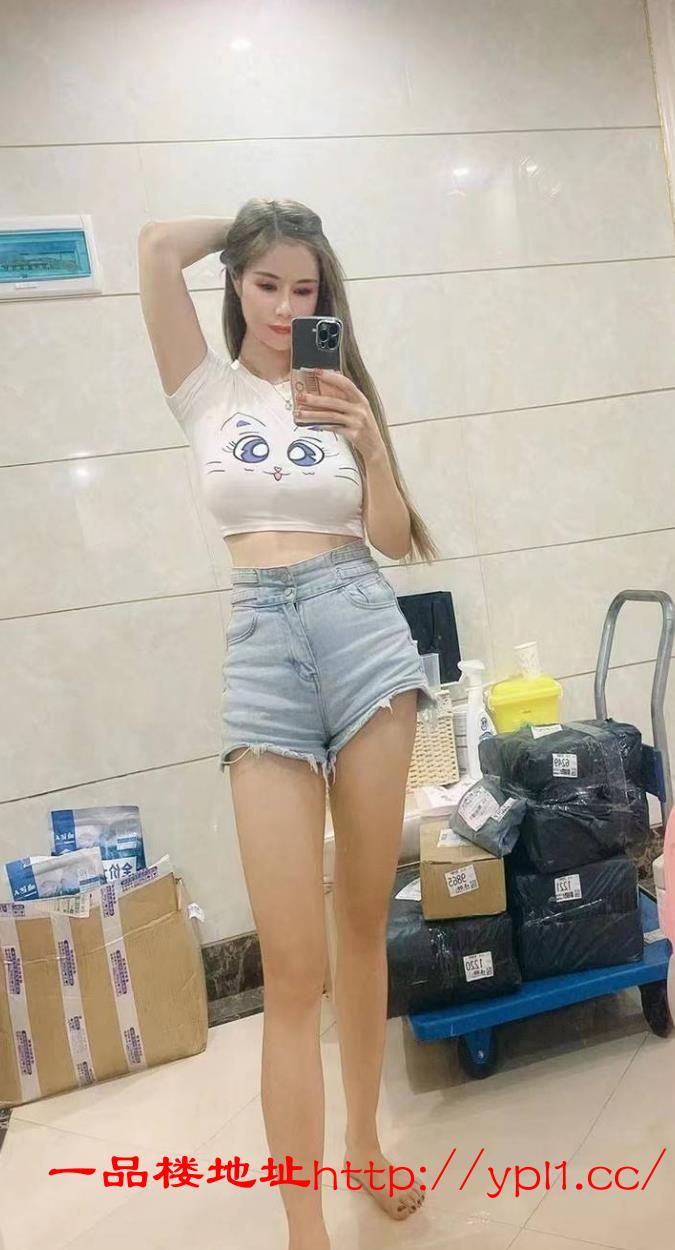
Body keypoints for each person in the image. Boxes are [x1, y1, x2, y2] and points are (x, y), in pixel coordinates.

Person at [138, 199, 440, 1250]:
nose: (282, 306)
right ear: (235, 283)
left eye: (303, 288)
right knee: (292, 964)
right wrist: (258, 219)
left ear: (324, 299)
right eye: (265, 283)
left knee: (360, 924)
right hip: (263, 652)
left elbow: (394, 540)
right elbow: (153, 248)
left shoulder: (337, 390)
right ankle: (303, 1227)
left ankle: (363, 1142)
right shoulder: (205, 389)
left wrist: (371, 445)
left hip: (363, 634)